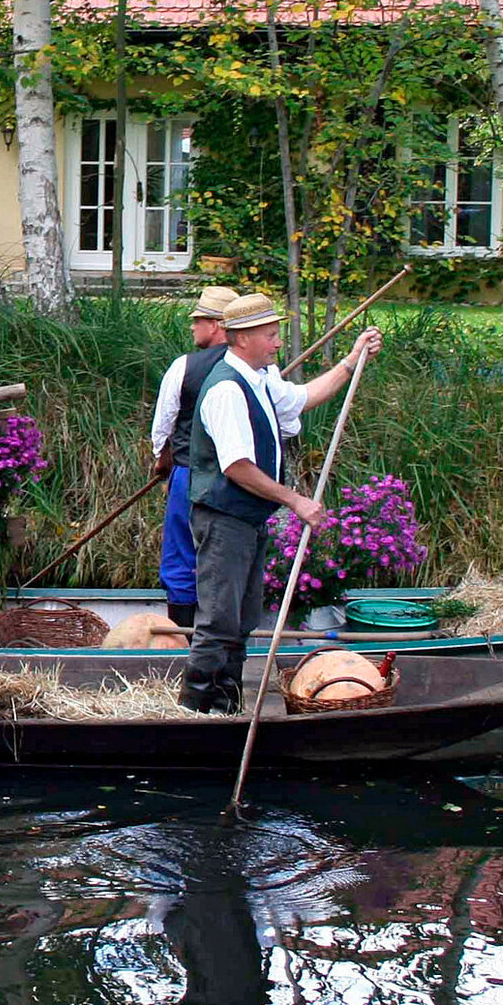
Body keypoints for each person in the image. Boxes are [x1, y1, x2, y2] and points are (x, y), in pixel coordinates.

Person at [179, 294, 380, 714]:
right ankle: (195, 710)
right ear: (243, 338)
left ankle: (228, 705)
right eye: (270, 336)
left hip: (247, 519)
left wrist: (352, 359)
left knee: (244, 618)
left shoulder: (260, 378)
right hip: (224, 518)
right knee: (218, 621)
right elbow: (236, 466)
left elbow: (302, 397)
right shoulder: (227, 390)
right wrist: (295, 501)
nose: (276, 344)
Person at [149, 284, 240, 629]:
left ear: (216, 325)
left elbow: (163, 425)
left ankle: (185, 641)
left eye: (198, 319)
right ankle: (222, 635)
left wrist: (162, 461)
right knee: (228, 554)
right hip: (242, 479)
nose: (193, 326)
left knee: (181, 557)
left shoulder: (184, 366)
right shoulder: (257, 368)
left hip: (190, 475)